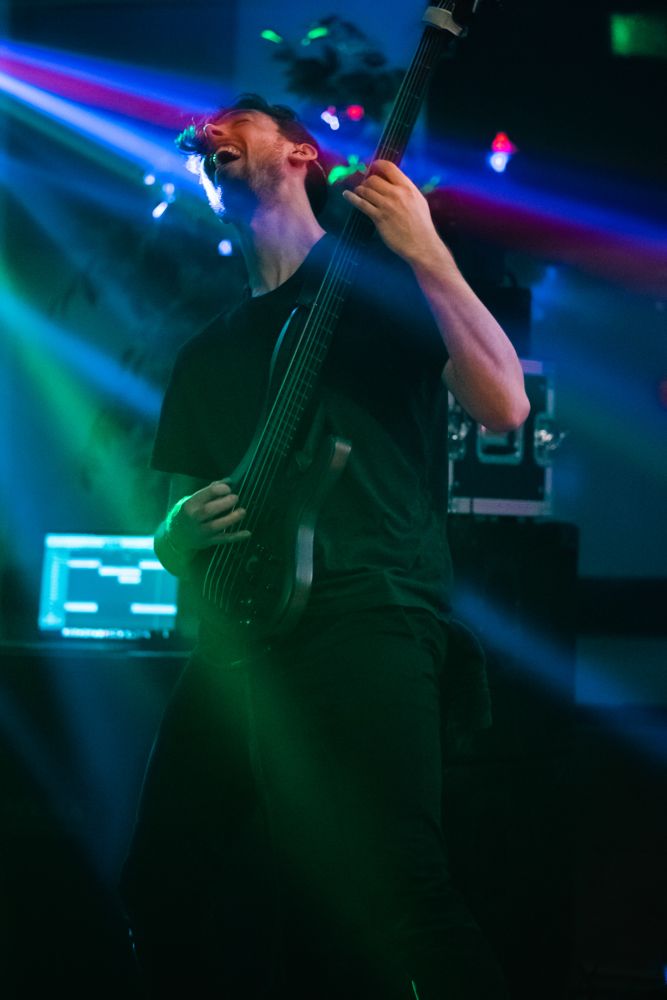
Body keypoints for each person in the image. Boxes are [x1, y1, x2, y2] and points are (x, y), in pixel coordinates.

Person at [120, 93, 530, 999]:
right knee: (162, 885)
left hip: (366, 612)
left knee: (402, 895)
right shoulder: (204, 354)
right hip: (238, 642)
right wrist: (170, 536)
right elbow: (177, 520)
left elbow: (504, 404)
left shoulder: (374, 291)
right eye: (203, 139)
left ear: (302, 152)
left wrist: (423, 247)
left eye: (236, 121)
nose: (211, 135)